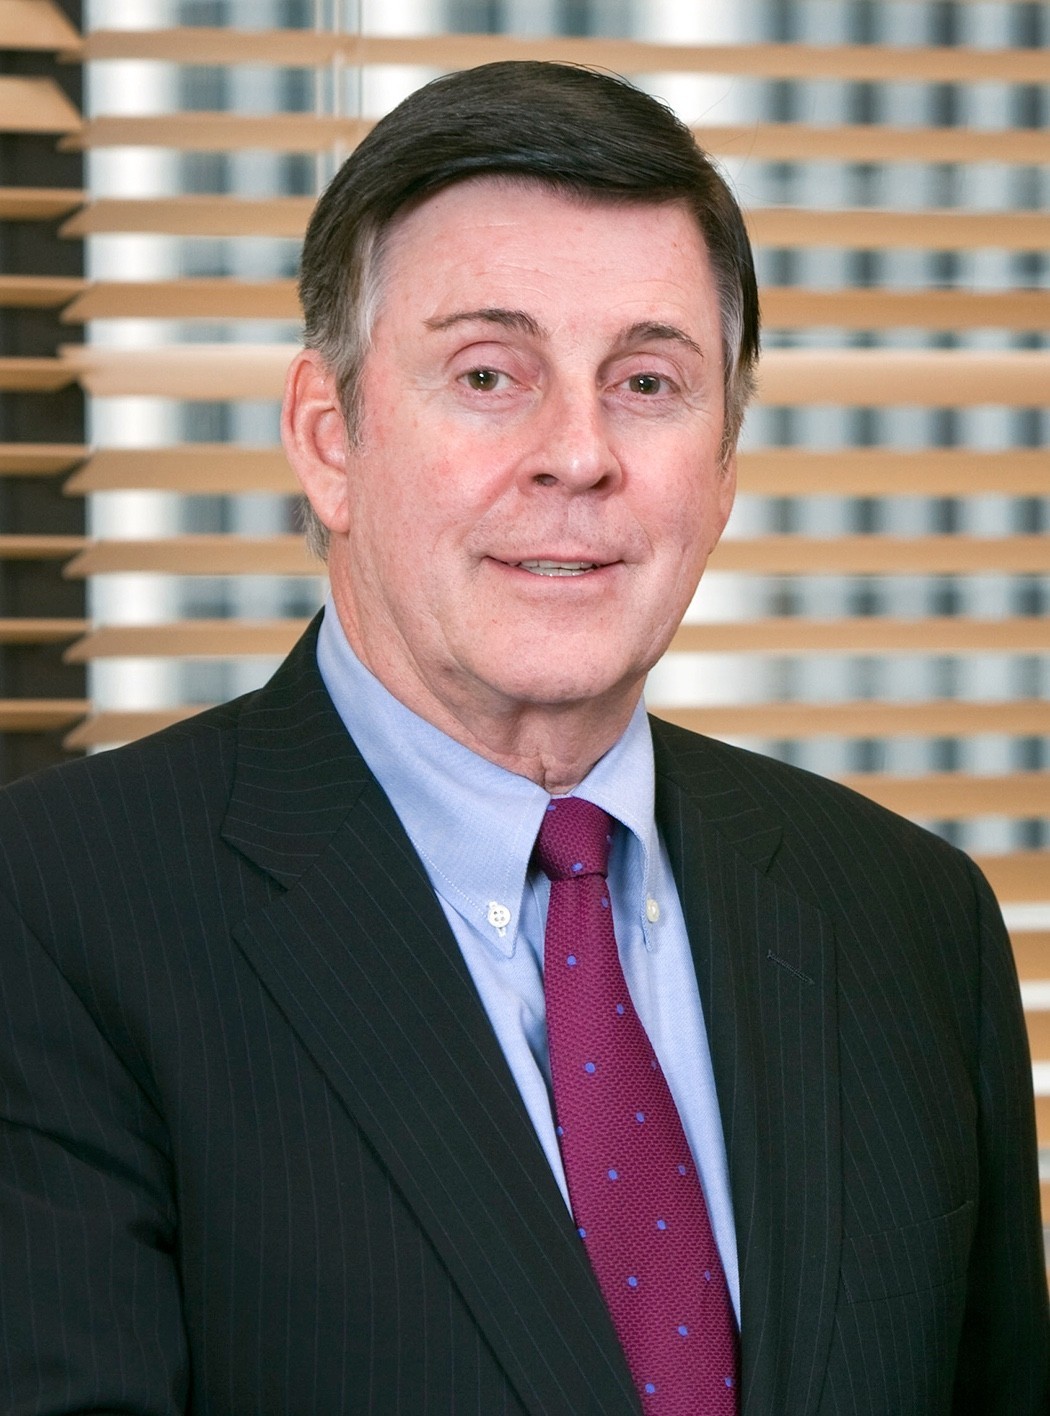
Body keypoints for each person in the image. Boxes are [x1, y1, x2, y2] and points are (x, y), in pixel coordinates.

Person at [0, 61, 1046, 1416]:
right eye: (489, 373)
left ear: (725, 463)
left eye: (648, 382)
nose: (578, 454)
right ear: (328, 438)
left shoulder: (911, 919)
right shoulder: (55, 908)